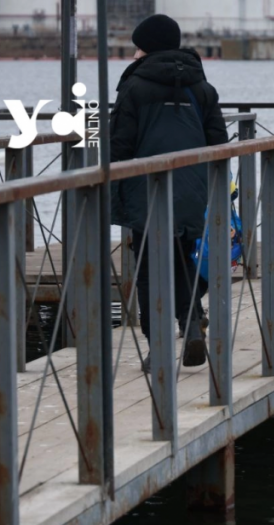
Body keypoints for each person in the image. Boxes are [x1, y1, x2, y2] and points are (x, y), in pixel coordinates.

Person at [110, 14, 229, 371]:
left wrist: (109, 186)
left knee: (148, 268)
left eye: (137, 45)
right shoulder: (201, 87)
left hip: (146, 187)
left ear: (145, 47)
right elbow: (219, 142)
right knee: (183, 257)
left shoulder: (134, 87)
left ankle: (158, 347)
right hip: (192, 187)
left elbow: (119, 145)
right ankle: (191, 322)